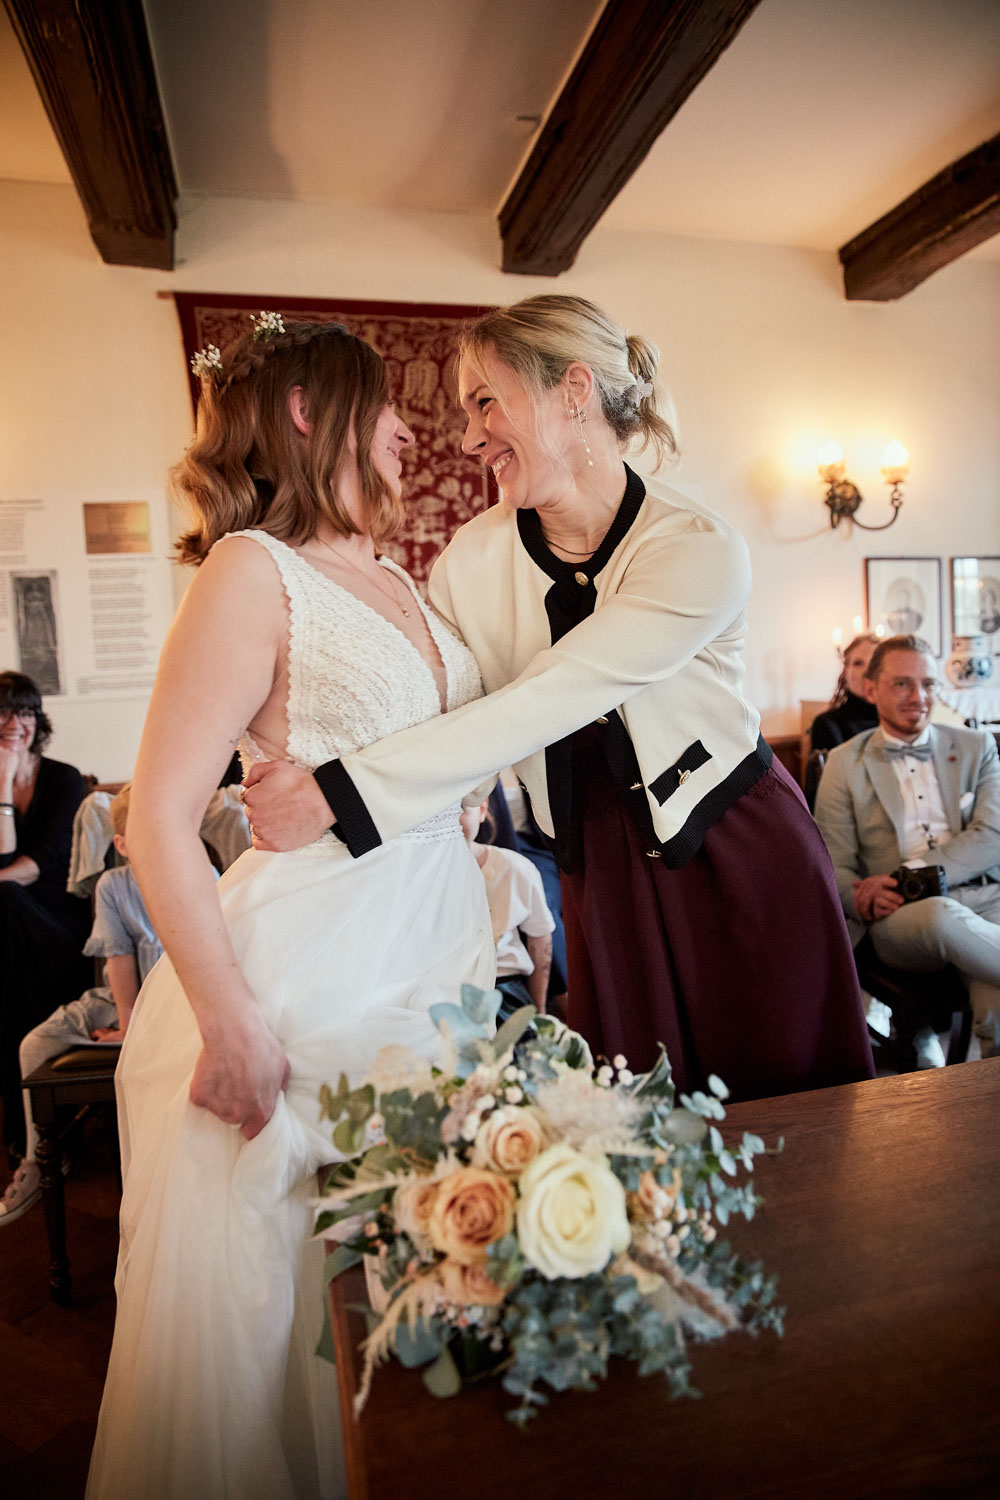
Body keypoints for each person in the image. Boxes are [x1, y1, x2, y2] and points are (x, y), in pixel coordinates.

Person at [244, 293, 874, 1101]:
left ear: (573, 390)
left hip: (740, 851)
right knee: (636, 1129)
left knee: (797, 1114)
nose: (468, 439)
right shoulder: (468, 565)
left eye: (484, 402)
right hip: (598, 873)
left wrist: (336, 794)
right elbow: (457, 710)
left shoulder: (696, 547)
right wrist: (446, 808)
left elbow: (553, 696)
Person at [86, 319, 493, 1500]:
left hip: (433, 962)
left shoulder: (402, 575)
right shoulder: (251, 570)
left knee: (422, 1283)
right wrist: (231, 1023)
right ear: (311, 411)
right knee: (294, 1316)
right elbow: (157, 819)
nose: (410, 428)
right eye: (385, 404)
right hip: (305, 981)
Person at [814, 634, 1000, 1064]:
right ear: (871, 688)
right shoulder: (844, 763)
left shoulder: (977, 747)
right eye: (902, 684)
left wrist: (910, 873)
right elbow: (833, 864)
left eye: (929, 684)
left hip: (988, 898)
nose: (919, 697)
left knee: (996, 1009)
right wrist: (860, 897)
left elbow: (992, 834)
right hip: (903, 915)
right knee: (940, 915)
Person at [2, 784, 164, 1224]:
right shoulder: (114, 885)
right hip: (123, 998)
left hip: (174, 1000)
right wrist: (127, 1024)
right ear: (122, 845)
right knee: (33, 1045)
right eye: (145, 832)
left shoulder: (199, 873)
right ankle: (36, 1160)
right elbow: (119, 962)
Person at [0, 670, 90, 1160]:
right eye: (4, 712)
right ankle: (35, 1133)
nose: (16, 723)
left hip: (59, 924)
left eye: (26, 712)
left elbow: (38, 864)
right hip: (11, 931)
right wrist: (3, 777)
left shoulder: (63, 779)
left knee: (9, 899)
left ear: (38, 720)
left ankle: (27, 1135)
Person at [460, 798, 554, 1018]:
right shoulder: (416, 877)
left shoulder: (514, 867)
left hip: (504, 989)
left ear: (482, 808)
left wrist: (538, 1007)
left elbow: (540, 939)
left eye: (459, 809)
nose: (449, 821)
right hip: (443, 993)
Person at [804, 632, 880, 810]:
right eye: (858, 663)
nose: (867, 671)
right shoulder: (827, 724)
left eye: (874, 663)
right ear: (846, 672)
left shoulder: (895, 723)